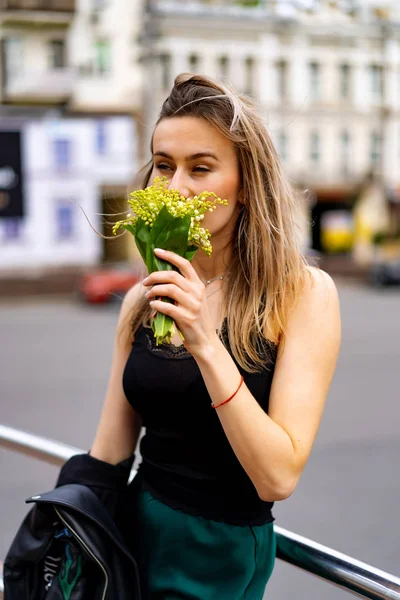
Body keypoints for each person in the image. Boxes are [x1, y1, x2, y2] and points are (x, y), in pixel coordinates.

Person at [59, 73, 341, 599]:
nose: (175, 187)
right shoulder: (146, 298)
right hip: (134, 535)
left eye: (201, 168)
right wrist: (59, 536)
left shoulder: (303, 294)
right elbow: (111, 449)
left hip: (220, 554)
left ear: (247, 182)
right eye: (164, 166)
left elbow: (277, 479)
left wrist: (206, 343)